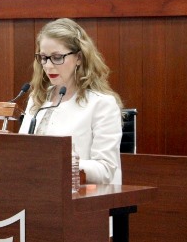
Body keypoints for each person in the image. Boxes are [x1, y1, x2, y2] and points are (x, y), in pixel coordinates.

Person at [19, 18, 123, 184]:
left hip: (82, 194)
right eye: (44, 57)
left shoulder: (102, 104)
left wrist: (58, 163)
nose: (48, 66)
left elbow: (106, 170)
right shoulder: (37, 98)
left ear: (79, 57)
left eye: (57, 57)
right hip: (35, 189)